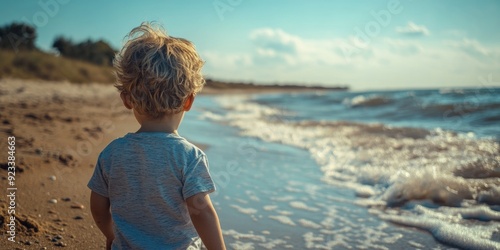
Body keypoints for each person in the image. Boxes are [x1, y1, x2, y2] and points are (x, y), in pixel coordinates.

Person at [87, 22, 225, 250]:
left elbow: (98, 205)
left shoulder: (112, 153)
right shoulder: (189, 157)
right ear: (188, 101)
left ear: (127, 99)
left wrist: (111, 235)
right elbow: (202, 212)